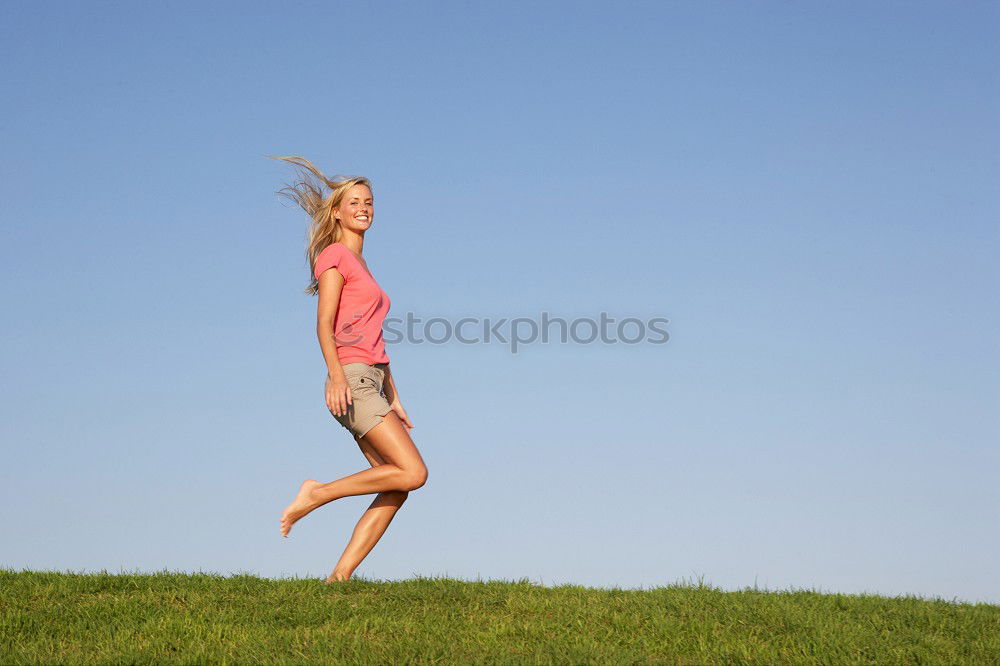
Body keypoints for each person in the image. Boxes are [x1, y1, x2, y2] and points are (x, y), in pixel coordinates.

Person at [270, 156, 428, 583]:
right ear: (337, 211)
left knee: (396, 485)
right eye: (355, 201)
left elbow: (375, 339)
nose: (364, 208)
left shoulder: (361, 265)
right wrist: (337, 375)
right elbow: (324, 324)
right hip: (353, 380)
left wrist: (393, 394)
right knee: (414, 472)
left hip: (372, 380)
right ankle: (316, 493)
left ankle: (339, 578)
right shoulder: (335, 256)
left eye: (370, 202)